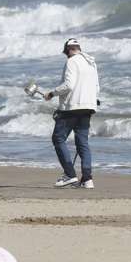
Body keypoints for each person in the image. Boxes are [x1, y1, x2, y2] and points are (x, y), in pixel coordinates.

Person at [45, 38, 100, 189]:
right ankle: (87, 179)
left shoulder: (72, 61)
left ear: (68, 50)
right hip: (88, 107)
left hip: (72, 108)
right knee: (82, 143)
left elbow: (69, 85)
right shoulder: (91, 62)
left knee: (58, 138)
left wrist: (52, 93)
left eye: (66, 53)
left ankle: (69, 175)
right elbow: (96, 87)